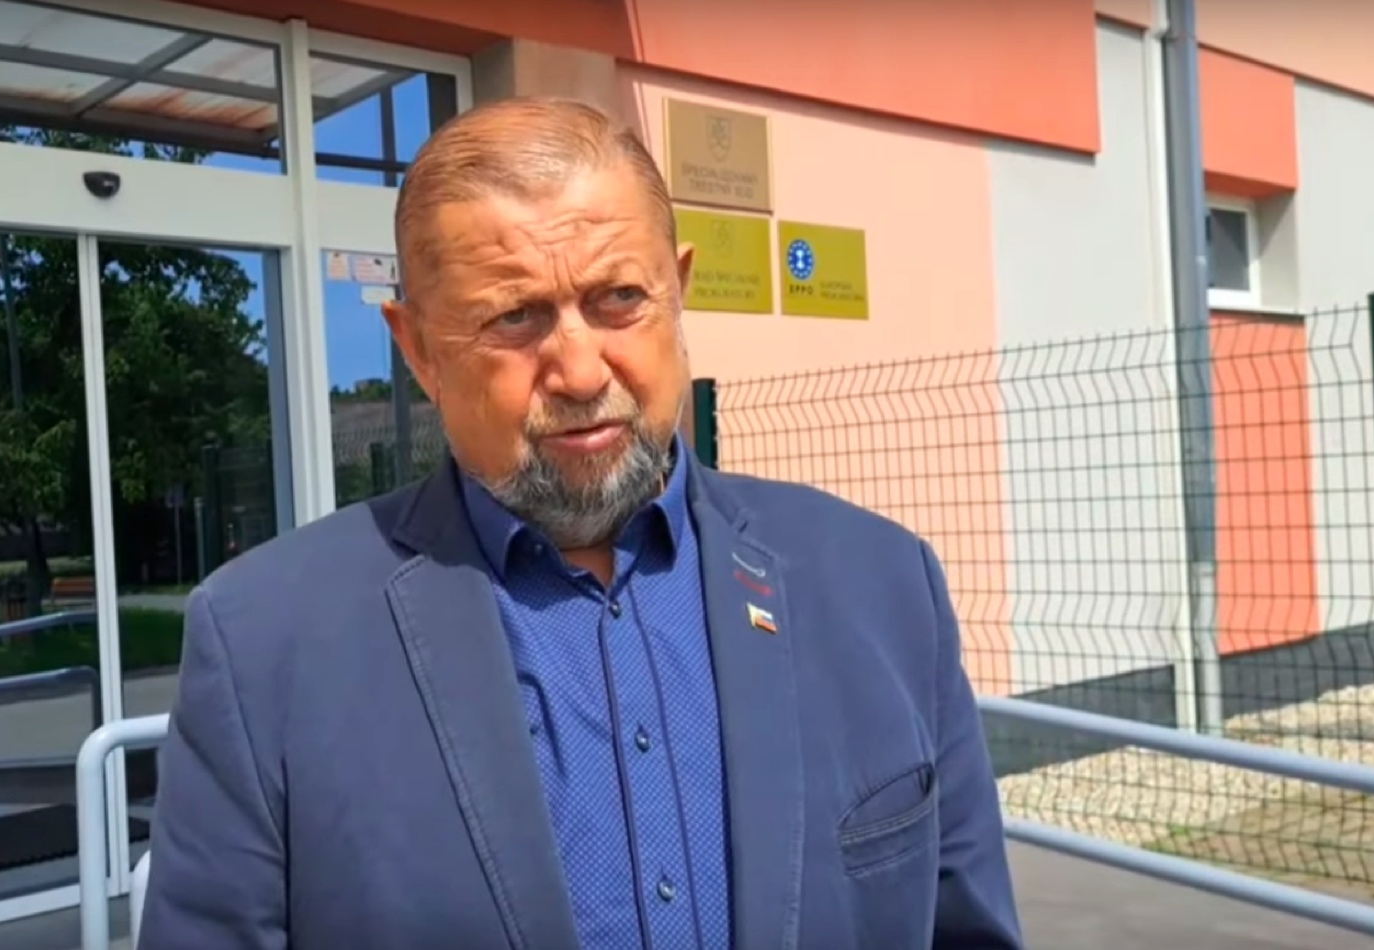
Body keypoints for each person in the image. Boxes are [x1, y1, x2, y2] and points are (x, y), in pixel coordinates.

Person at [137, 96, 1022, 950]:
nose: (580, 369)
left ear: (677, 291)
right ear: (419, 349)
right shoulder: (265, 645)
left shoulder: (882, 585)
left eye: (619, 298)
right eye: (514, 316)